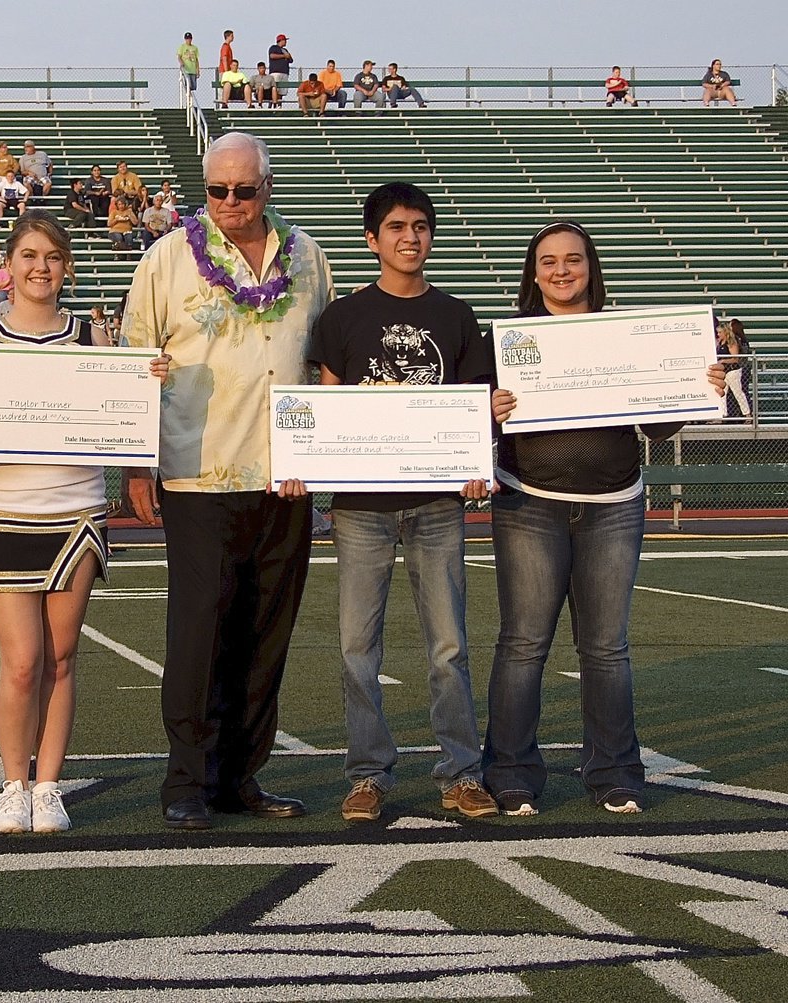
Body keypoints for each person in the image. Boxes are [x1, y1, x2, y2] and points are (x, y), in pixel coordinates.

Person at [122, 132, 335, 830]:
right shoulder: (165, 258)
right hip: (198, 469)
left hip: (288, 477)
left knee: (266, 631)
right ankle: (186, 778)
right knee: (197, 631)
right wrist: (135, 459)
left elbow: (326, 361)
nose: (231, 203)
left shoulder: (309, 258)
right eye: (218, 190)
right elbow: (131, 363)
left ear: (268, 188)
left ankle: (242, 775)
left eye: (245, 190)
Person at [483, 221, 726, 817]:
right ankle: (510, 772)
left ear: (592, 267)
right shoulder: (509, 340)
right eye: (548, 261)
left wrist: (698, 387)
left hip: (615, 505)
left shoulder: (627, 337)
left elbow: (659, 426)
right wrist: (488, 411)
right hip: (529, 502)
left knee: (606, 648)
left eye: (573, 260)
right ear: (532, 272)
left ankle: (614, 771)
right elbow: (481, 426)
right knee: (523, 644)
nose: (561, 271)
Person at [0, 210, 167, 835]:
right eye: (30, 256)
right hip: (8, 515)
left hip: (78, 512)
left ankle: (48, 786)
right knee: (20, 661)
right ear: (7, 266)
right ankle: (13, 782)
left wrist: (146, 383)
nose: (42, 267)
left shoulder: (93, 340)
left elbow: (125, 416)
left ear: (66, 266)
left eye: (54, 257)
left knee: (61, 657)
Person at [306, 182, 497, 823]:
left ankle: (461, 773)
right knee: (358, 649)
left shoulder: (457, 316)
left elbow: (476, 411)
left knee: (448, 646)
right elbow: (327, 412)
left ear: (431, 234)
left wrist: (476, 465)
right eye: (395, 226)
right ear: (372, 238)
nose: (409, 237)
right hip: (361, 507)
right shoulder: (342, 319)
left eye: (420, 225)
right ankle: (367, 774)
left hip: (439, 504)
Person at [717, 319, 752, 420]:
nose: (718, 334)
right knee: (722, 393)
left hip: (732, 371)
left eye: (720, 332)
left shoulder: (731, 342)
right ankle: (723, 415)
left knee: (738, 393)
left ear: (725, 332)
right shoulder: (720, 343)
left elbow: (735, 359)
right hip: (724, 372)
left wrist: (723, 361)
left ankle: (747, 414)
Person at [267, 34, 292, 106]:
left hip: (284, 72)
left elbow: (291, 60)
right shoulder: (274, 47)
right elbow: (272, 56)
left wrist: (288, 56)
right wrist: (284, 56)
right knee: (275, 89)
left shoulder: (285, 50)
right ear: (280, 41)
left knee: (282, 91)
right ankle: (273, 105)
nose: (286, 42)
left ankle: (279, 105)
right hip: (276, 72)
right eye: (284, 40)